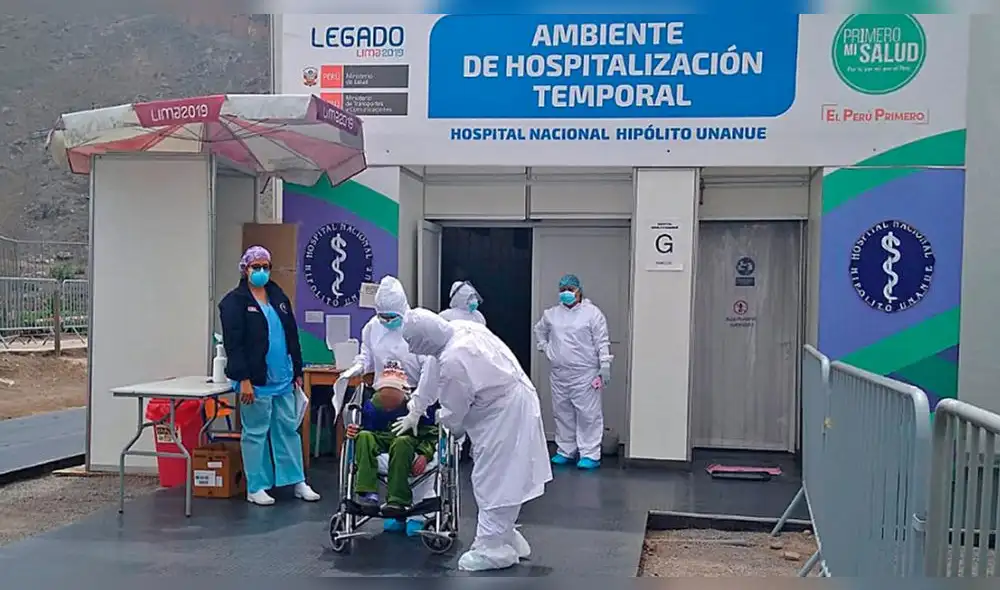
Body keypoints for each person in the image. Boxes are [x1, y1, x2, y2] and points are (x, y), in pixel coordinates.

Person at [399, 308, 552, 572]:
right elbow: (431, 373)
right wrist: (416, 407)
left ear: (424, 339)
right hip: (509, 405)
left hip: (505, 414)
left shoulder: (455, 358)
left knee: (495, 477)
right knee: (503, 475)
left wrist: (437, 418)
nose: (413, 350)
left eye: (413, 344)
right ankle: (503, 533)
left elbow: (454, 410)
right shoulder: (456, 330)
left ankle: (491, 547)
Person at [218, 245, 320, 506]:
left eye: (265, 266)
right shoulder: (234, 302)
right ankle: (257, 485)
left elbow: (291, 335)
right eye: (256, 267)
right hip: (255, 381)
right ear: (245, 269)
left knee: (287, 429)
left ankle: (296, 480)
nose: (262, 271)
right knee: (255, 432)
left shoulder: (278, 296)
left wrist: (297, 369)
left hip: (283, 378)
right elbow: (234, 344)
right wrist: (243, 379)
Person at [334, 275, 436, 533]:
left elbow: (430, 367)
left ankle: (418, 511)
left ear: (402, 308)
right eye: (382, 315)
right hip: (383, 394)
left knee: (409, 440)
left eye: (391, 316)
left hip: (414, 394)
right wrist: (355, 369)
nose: (386, 321)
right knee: (369, 435)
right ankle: (382, 499)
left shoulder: (418, 327)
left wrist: (419, 400)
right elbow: (367, 356)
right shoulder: (372, 327)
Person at [346, 361, 438, 536]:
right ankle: (368, 493)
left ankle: (398, 501)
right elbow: (364, 429)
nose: (387, 407)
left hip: (408, 442)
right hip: (381, 439)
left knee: (402, 442)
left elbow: (432, 434)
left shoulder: (417, 408)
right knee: (364, 436)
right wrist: (353, 431)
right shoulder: (371, 407)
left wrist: (425, 454)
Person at [532, 274, 613, 470]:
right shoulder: (551, 314)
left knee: (588, 414)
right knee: (562, 412)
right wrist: (544, 346)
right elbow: (539, 330)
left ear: (579, 290)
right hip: (559, 373)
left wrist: (604, 364)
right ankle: (565, 450)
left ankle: (590, 453)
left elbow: (601, 340)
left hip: (585, 372)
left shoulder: (592, 314)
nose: (566, 293)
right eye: (562, 290)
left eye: (570, 289)